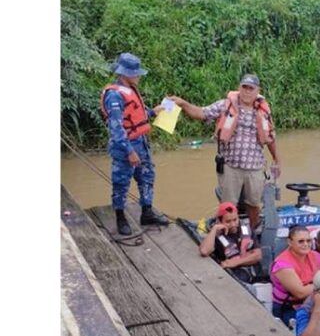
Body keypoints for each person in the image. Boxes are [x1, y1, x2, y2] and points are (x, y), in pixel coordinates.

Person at [171, 74, 281, 229]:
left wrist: (277, 160)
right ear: (239, 88)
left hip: (255, 167)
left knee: (254, 205)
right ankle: (226, 236)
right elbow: (201, 113)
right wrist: (182, 103)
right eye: (244, 87)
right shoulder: (225, 105)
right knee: (228, 207)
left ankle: (253, 234)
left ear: (258, 91)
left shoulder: (263, 111)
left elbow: (271, 137)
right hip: (231, 166)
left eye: (251, 88)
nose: (247, 92)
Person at [100, 52, 169, 235]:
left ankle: (147, 212)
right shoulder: (114, 96)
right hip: (125, 147)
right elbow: (116, 128)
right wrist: (129, 151)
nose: (139, 75)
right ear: (125, 74)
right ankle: (120, 217)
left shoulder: (131, 90)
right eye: (136, 72)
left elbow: (136, 114)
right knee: (121, 183)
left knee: (147, 176)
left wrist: (154, 112)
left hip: (141, 143)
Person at [270, 226, 320, 326]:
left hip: (314, 301)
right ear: (290, 242)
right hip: (288, 308)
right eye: (301, 241)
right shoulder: (282, 264)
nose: (306, 244)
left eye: (308, 241)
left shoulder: (316, 256)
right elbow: (300, 292)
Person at [198, 201, 262, 285]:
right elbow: (204, 251)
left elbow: (258, 255)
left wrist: (235, 262)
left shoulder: (246, 228)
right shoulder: (217, 237)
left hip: (255, 272)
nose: (233, 224)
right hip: (236, 277)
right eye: (228, 221)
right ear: (220, 221)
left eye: (235, 220)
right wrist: (214, 229)